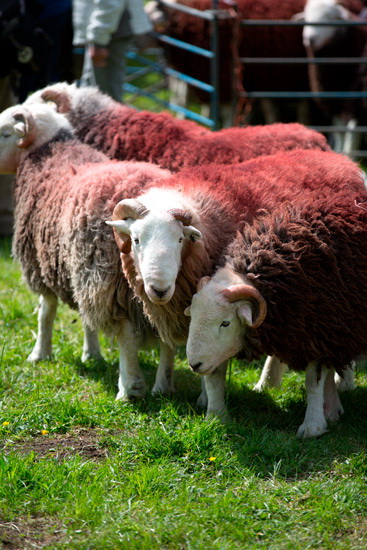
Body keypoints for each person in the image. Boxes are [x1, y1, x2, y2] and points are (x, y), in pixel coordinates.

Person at [73, 0, 154, 102]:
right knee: (97, 91)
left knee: (101, 96)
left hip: (108, 32)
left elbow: (110, 3)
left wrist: (98, 41)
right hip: (107, 29)